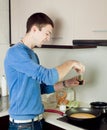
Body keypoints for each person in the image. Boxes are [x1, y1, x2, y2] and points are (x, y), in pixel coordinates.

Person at [4, 12, 85, 130]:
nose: (48, 38)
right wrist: (71, 63)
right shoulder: (15, 53)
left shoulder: (32, 55)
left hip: (37, 121)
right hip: (23, 125)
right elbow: (48, 77)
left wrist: (66, 83)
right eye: (47, 33)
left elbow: (40, 88)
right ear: (34, 29)